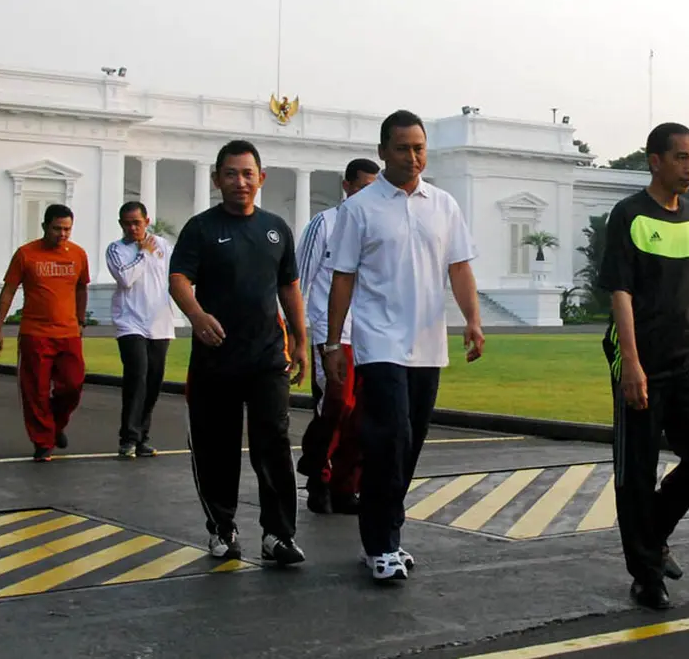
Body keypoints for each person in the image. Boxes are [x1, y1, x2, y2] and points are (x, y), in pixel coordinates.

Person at [325, 109, 484, 583]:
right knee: (388, 438)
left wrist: (473, 321)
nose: (413, 157)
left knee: (410, 443)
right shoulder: (360, 208)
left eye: (419, 148)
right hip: (379, 343)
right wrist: (334, 342)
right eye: (402, 148)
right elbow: (343, 277)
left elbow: (459, 267)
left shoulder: (444, 205)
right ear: (382, 152)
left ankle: (388, 531)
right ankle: (380, 544)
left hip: (428, 343)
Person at [597, 122, 689, 611]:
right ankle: (646, 574)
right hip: (640, 357)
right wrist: (630, 362)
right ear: (655, 161)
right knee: (637, 470)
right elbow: (621, 292)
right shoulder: (628, 214)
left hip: (687, 356)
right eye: (681, 157)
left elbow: (687, 292)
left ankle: (654, 535)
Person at [169, 139, 309, 566]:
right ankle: (223, 528)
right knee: (217, 447)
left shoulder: (276, 229)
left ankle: (278, 535)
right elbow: (178, 278)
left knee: (274, 443)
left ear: (261, 178)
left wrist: (301, 341)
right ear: (216, 179)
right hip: (216, 360)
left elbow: (289, 287)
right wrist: (196, 314)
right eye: (231, 174)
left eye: (248, 174)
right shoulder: (201, 229)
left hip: (267, 357)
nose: (240, 182)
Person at [296, 157, 380, 514]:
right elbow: (299, 279)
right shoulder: (325, 223)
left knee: (362, 415)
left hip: (370, 332)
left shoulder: (378, 226)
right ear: (346, 187)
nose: (367, 195)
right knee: (337, 404)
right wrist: (296, 333)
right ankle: (318, 474)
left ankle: (347, 487)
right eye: (361, 187)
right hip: (331, 331)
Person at [0, 204, 91, 462]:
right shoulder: (26, 254)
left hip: (68, 332)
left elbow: (81, 288)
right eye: (57, 228)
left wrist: (80, 320)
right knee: (35, 390)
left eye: (67, 229)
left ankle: (55, 425)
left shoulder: (78, 254)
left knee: (73, 384)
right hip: (35, 332)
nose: (62, 234)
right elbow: (9, 291)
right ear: (45, 226)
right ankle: (43, 441)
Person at [106, 201, 175, 459]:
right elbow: (125, 279)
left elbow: (174, 275)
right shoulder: (116, 249)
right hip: (130, 322)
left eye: (137, 222)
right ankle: (129, 437)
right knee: (137, 377)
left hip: (159, 323)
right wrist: (142, 253)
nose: (133, 227)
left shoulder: (163, 246)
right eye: (127, 223)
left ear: (147, 221)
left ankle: (143, 436)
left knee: (153, 382)